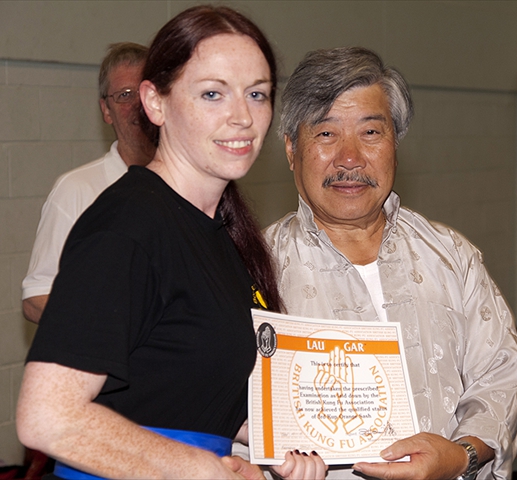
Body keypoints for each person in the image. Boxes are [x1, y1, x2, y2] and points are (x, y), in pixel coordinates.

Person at [17, 6, 325, 480]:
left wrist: (275, 439)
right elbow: (47, 417)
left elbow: (178, 386)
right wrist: (206, 470)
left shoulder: (216, 230)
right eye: (212, 94)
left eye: (257, 94)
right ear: (155, 103)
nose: (242, 116)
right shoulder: (129, 225)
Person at [264, 47, 517, 480]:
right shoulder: (254, 268)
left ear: (395, 144)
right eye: (327, 134)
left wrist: (461, 455)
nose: (349, 158)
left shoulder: (450, 255)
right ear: (292, 148)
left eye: (370, 132)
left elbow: (501, 374)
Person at [21, 42, 156, 324]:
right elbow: (35, 300)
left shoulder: (193, 188)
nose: (136, 106)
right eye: (124, 95)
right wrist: (110, 324)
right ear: (106, 111)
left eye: (144, 91)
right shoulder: (77, 190)